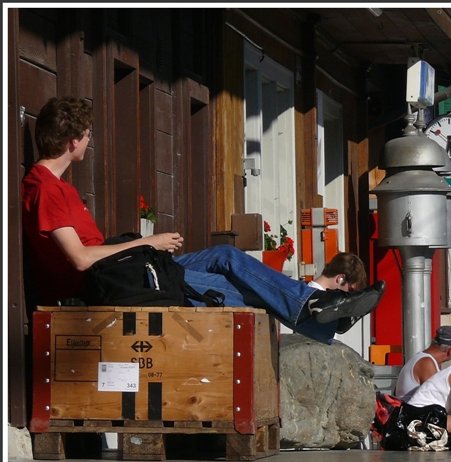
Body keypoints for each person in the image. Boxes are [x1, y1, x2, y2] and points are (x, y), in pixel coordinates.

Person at [20, 96, 384, 345]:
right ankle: (323, 316)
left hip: (123, 272)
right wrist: (149, 242)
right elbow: (81, 259)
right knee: (234, 292)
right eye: (86, 136)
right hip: (105, 286)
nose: (88, 142)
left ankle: (317, 309)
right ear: (71, 142)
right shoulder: (48, 189)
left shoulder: (56, 187)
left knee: (226, 256)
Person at [393, 325, 451, 401]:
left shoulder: (422, 358)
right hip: (412, 411)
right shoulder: (426, 363)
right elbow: (438, 397)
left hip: (410, 409)